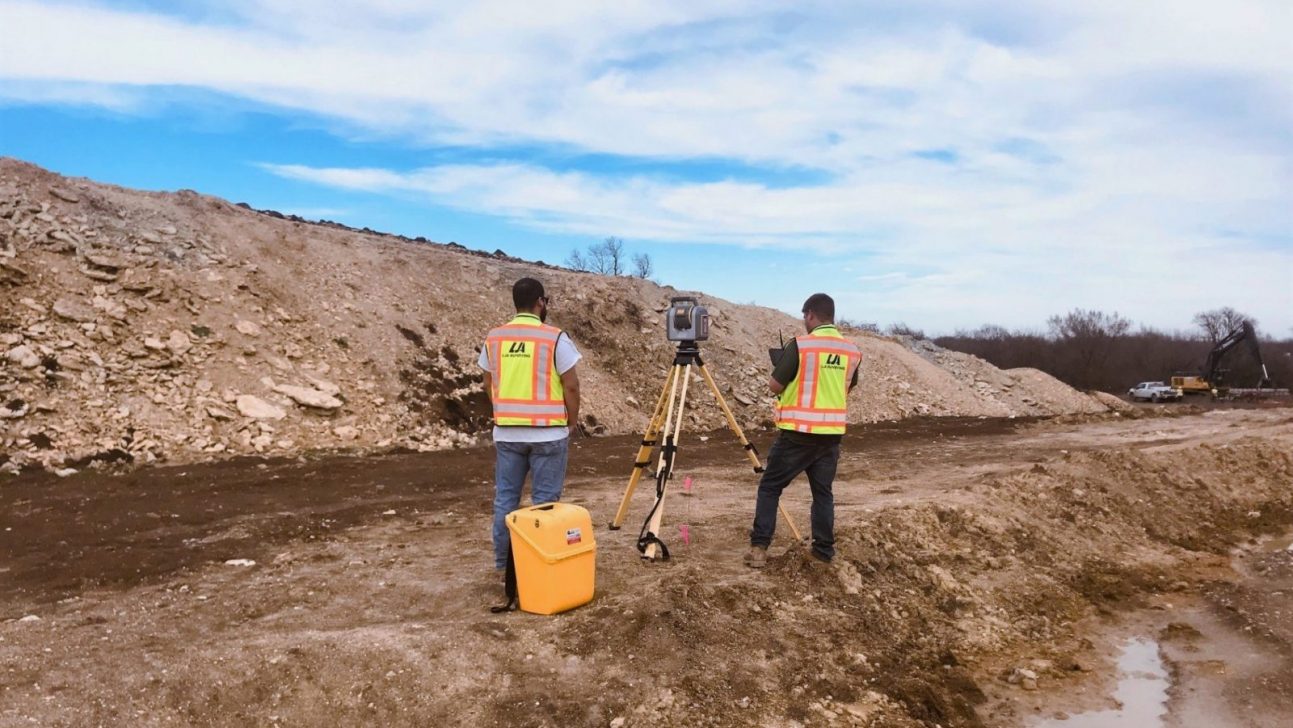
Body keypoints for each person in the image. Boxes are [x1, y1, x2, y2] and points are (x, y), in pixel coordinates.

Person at [745, 293, 861, 568]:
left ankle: (759, 549)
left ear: (810, 314)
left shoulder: (801, 346)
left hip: (798, 433)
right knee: (823, 494)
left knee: (770, 487)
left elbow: (775, 385)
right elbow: (848, 384)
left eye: (804, 316)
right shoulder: (851, 351)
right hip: (831, 435)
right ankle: (823, 550)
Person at [479, 277, 581, 571]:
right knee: (545, 505)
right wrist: (571, 420)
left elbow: (488, 382)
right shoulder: (555, 337)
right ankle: (539, 569)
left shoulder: (495, 338)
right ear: (541, 302)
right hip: (549, 434)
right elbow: (571, 386)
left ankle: (503, 567)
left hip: (508, 433)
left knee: (505, 502)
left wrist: (507, 409)